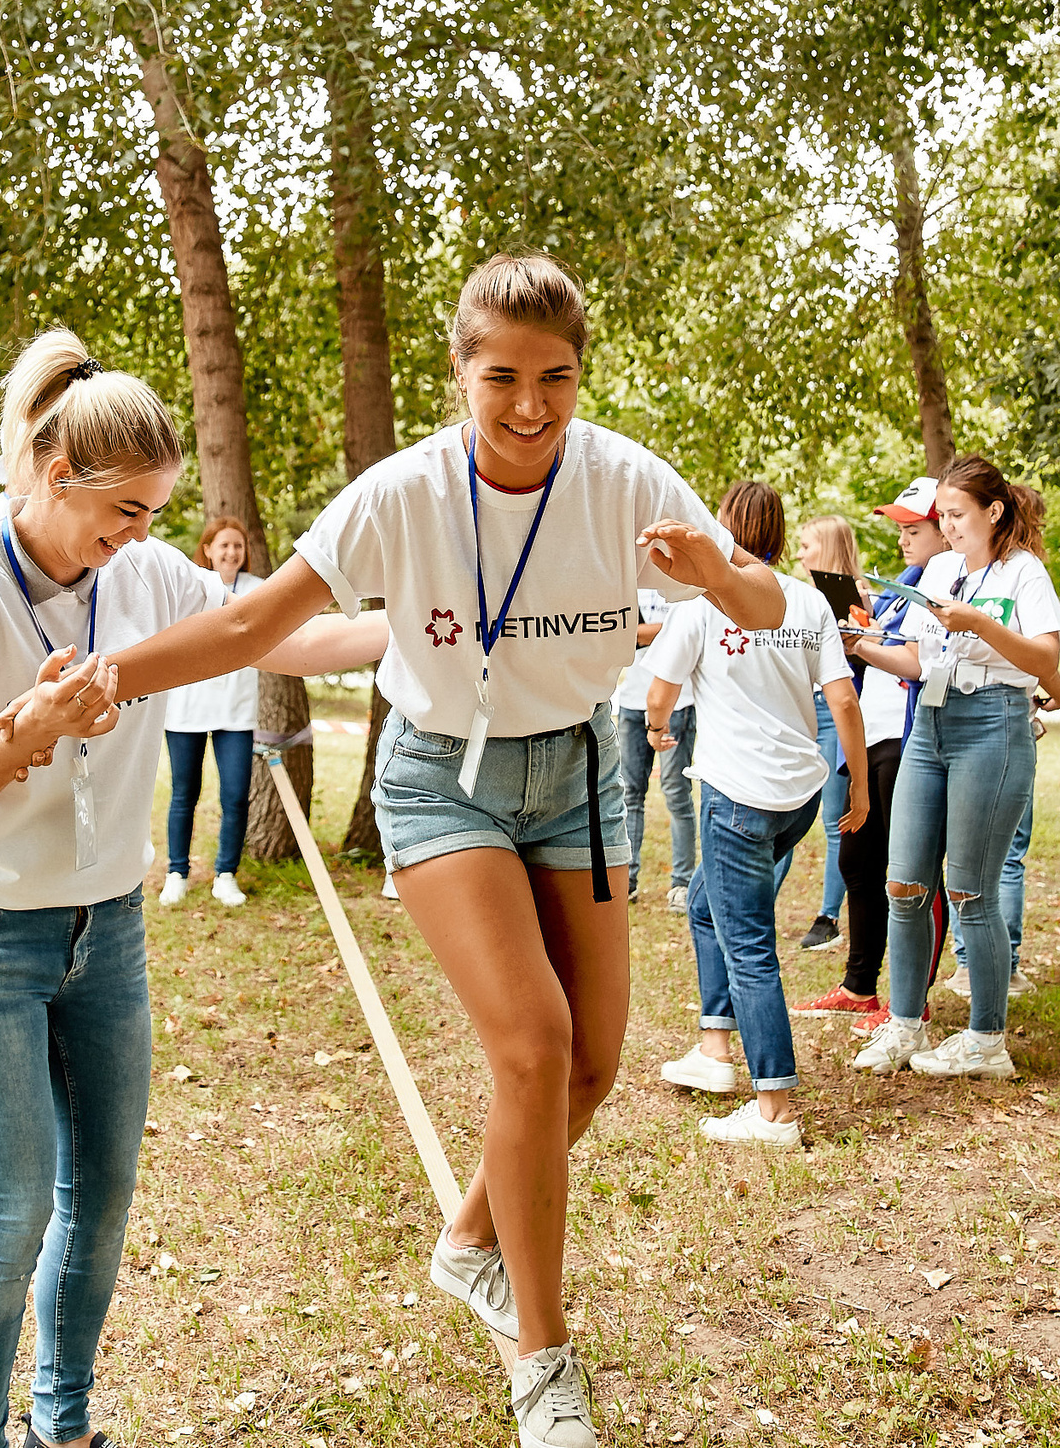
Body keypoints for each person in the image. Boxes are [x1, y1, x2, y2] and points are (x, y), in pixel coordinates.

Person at [109, 254, 782, 1448]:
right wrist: (109, 676)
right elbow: (257, 620)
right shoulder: (401, 493)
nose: (529, 405)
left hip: (578, 775)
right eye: (501, 378)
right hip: (439, 779)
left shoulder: (627, 479)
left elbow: (766, 608)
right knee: (534, 1044)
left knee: (592, 1068)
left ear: (579, 375)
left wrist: (718, 575)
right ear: (460, 373)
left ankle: (469, 1240)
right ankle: (543, 1363)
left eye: (555, 377)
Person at [0, 330, 381, 1448]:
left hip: (104, 930)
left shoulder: (142, 575)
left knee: (100, 1202)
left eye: (155, 512)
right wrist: (29, 727)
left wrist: (432, 625)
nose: (141, 535)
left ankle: (62, 1426)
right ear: (58, 475)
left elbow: (282, 638)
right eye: (125, 511)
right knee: (12, 1210)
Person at [649, 481, 867, 1147]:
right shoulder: (808, 600)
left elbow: (660, 692)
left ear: (721, 528)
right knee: (705, 905)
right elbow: (843, 700)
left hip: (737, 796)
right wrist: (857, 786)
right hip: (797, 797)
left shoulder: (701, 601)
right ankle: (715, 1046)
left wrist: (657, 728)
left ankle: (774, 1109)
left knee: (748, 946)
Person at [846, 455, 1060, 1081]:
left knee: (970, 890)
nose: (946, 527)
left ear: (993, 512)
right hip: (930, 725)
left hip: (993, 725)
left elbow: (1045, 659)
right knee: (903, 883)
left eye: (957, 514)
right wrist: (860, 645)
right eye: (940, 515)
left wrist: (980, 624)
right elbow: (918, 660)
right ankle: (905, 1023)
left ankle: (986, 1040)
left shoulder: (1024, 572)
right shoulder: (941, 569)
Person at [796, 477, 943, 1028]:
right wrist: (860, 632)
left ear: (947, 529)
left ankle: (911, 1001)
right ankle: (859, 987)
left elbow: (917, 662)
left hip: (909, 741)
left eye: (914, 529)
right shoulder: (903, 584)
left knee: (912, 873)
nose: (903, 539)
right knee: (857, 860)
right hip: (871, 737)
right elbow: (876, 652)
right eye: (900, 529)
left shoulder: (944, 589)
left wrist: (860, 640)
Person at [942, 482, 1060, 998]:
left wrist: (1057, 688)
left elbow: (1040, 656)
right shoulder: (971, 572)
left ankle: (987, 965)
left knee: (991, 861)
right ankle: (989, 962)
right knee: (992, 860)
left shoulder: (1023, 575)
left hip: (1007, 727)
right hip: (977, 723)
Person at [160, 514, 259, 907]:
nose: (232, 552)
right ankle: (177, 873)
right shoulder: (190, 587)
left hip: (236, 711)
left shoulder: (257, 590)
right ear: (208, 550)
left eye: (238, 545)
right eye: (224, 545)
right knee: (184, 794)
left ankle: (225, 875)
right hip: (186, 709)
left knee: (235, 796)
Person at [782, 514, 868, 948]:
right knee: (779, 809)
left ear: (829, 547)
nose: (799, 555)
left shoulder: (859, 599)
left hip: (834, 712)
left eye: (807, 546)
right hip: (799, 709)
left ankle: (828, 916)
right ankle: (757, 903)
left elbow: (862, 664)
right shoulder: (795, 597)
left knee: (837, 818)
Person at [611, 587, 697, 907]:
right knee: (630, 793)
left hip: (677, 703)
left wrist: (643, 632)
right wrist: (665, 632)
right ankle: (628, 880)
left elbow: (690, 632)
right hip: (633, 703)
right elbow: (623, 635)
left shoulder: (683, 586)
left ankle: (682, 884)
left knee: (676, 792)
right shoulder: (627, 582)